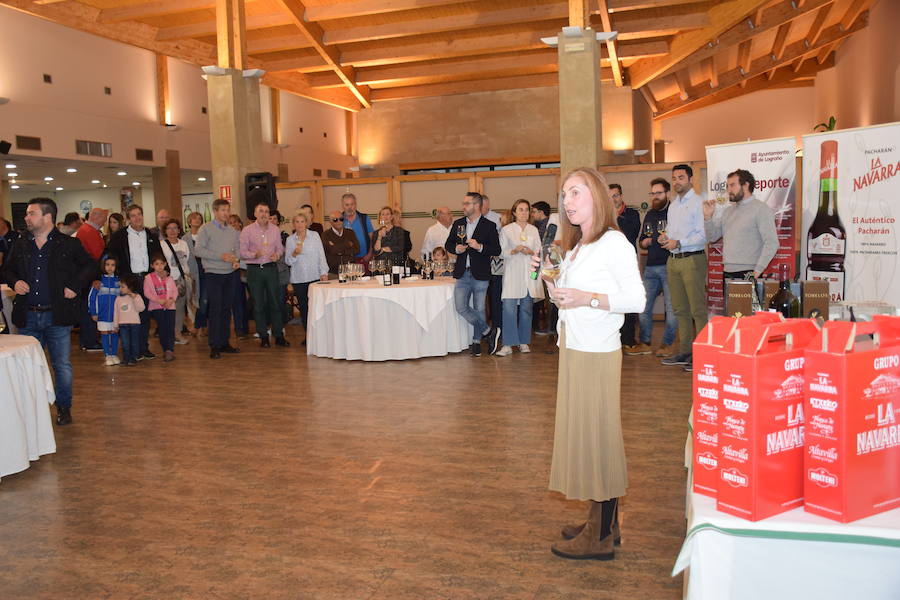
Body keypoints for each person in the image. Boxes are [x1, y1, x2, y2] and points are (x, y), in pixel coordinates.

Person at [532, 167, 645, 561]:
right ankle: (603, 524)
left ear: (596, 195)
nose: (567, 201)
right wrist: (547, 272)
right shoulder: (578, 245)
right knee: (589, 435)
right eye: (564, 194)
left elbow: (637, 300)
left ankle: (599, 537)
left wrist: (586, 298)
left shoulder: (615, 243)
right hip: (576, 348)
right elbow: (561, 295)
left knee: (601, 439)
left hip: (597, 352)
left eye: (575, 193)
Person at [1, 197, 95, 425]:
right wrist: (15, 282)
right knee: (28, 366)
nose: (26, 218)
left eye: (31, 213)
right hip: (28, 316)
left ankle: (64, 407)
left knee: (61, 364)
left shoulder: (67, 243)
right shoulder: (22, 243)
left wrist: (75, 286)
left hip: (57, 315)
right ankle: (32, 409)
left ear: (47, 217)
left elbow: (91, 266)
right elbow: (6, 270)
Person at [659, 164, 707, 372]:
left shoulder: (699, 203)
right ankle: (686, 351)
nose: (677, 181)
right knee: (680, 309)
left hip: (692, 259)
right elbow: (672, 230)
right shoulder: (673, 205)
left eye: (681, 177)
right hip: (673, 260)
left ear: (690, 179)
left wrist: (679, 242)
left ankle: (703, 355)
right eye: (674, 178)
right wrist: (666, 236)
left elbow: (704, 235)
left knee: (697, 309)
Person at [445, 192, 502, 357]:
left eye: (467, 203)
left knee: (479, 309)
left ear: (476, 206)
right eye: (463, 203)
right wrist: (456, 249)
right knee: (460, 307)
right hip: (462, 273)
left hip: (481, 273)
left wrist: (480, 247)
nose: (463, 206)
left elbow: (496, 250)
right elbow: (448, 243)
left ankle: (477, 342)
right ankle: (488, 330)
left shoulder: (489, 225)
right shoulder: (458, 224)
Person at [703, 169, 779, 286]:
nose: (728, 190)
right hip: (727, 272)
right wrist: (708, 218)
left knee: (749, 305)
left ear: (746, 185)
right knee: (729, 305)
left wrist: (757, 271)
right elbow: (712, 237)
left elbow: (772, 243)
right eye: (727, 186)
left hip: (749, 273)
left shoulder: (761, 209)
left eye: (732, 185)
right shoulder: (728, 211)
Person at [106, 204, 163, 360]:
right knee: (129, 317)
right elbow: (110, 256)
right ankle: (130, 351)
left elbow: (158, 256)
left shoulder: (151, 235)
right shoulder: (119, 236)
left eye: (139, 214)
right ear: (128, 219)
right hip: (129, 280)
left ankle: (143, 348)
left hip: (147, 279)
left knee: (144, 315)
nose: (137, 218)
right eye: (133, 215)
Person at [193, 198, 242, 359]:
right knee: (215, 310)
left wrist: (236, 260)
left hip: (230, 274)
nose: (226, 213)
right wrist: (220, 256)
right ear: (215, 211)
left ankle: (224, 342)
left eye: (228, 210)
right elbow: (198, 250)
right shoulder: (205, 229)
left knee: (227, 309)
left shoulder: (233, 231)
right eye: (223, 210)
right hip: (213, 274)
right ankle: (214, 345)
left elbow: (238, 251)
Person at [495, 199, 543, 357]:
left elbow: (539, 251)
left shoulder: (533, 230)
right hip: (512, 273)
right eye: (520, 209)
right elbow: (500, 252)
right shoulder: (507, 230)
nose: (524, 213)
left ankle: (523, 342)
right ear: (514, 212)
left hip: (529, 274)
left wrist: (531, 252)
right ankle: (508, 344)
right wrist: (514, 250)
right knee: (508, 309)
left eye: (527, 210)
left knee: (526, 309)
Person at [636, 178, 677, 358]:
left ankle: (667, 344)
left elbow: (680, 237)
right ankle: (644, 343)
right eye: (652, 193)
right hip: (650, 267)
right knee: (643, 307)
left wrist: (665, 240)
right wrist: (646, 242)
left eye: (658, 193)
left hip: (671, 265)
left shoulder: (675, 212)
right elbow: (642, 241)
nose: (655, 196)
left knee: (672, 309)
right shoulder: (650, 214)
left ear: (668, 193)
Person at [240, 202, 289, 348]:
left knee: (275, 303)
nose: (264, 214)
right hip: (254, 270)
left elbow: (281, 248)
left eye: (267, 212)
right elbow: (242, 252)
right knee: (259, 305)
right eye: (261, 211)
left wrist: (277, 254)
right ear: (255, 214)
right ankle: (263, 336)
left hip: (271, 269)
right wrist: (254, 254)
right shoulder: (247, 230)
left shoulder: (275, 229)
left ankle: (278, 335)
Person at [284, 213, 328, 340]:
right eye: (296, 222)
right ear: (293, 224)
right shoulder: (290, 240)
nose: (299, 224)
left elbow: (321, 255)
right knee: (304, 308)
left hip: (314, 276)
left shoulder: (314, 236)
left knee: (316, 307)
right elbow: (288, 261)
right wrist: (294, 254)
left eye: (302, 221)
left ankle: (319, 336)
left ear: (306, 223)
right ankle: (308, 336)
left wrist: (324, 272)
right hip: (298, 279)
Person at [610, 184, 642, 355]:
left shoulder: (632, 214)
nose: (613, 199)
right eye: (610, 196)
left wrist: (616, 219)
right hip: (609, 265)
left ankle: (629, 339)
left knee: (628, 301)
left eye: (616, 195)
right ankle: (614, 338)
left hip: (627, 263)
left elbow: (632, 233)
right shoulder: (603, 216)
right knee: (612, 301)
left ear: (621, 196)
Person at [74, 207, 109, 351]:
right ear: (97, 217)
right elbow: (97, 257)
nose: (105, 222)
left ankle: (87, 340)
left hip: (87, 276)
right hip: (90, 277)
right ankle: (90, 341)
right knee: (90, 308)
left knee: (88, 309)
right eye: (104, 219)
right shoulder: (89, 232)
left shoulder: (86, 230)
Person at [160, 218, 192, 345]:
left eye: (175, 228)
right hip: (168, 280)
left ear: (179, 230)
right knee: (168, 307)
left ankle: (177, 333)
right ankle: (169, 333)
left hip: (182, 279)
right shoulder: (162, 244)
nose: (172, 231)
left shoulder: (183, 244)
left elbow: (187, 259)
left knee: (179, 308)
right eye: (169, 228)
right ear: (165, 231)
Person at [143, 254, 178, 361]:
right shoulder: (148, 278)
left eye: (161, 264)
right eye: (156, 264)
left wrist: (171, 300)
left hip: (170, 307)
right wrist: (158, 300)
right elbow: (147, 293)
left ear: (165, 264)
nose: (159, 266)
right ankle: (165, 348)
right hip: (157, 307)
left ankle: (169, 350)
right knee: (163, 329)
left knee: (170, 328)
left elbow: (175, 291)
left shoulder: (169, 278)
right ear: (152, 265)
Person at [88, 256, 121, 366]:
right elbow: (92, 298)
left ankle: (114, 354)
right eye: (107, 265)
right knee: (105, 333)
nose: (110, 267)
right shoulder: (98, 282)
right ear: (103, 266)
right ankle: (107, 355)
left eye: (113, 265)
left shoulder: (119, 282)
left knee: (114, 333)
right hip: (102, 314)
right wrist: (93, 312)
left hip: (115, 315)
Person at [481, 195, 504, 332]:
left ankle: (497, 325)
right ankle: (483, 326)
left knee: (495, 295)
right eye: (483, 206)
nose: (486, 208)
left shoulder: (497, 218)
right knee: (481, 297)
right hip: (480, 261)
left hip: (495, 262)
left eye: (487, 206)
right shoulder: (473, 220)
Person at [114, 276, 145, 367]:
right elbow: (116, 312)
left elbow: (141, 308)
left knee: (134, 342)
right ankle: (126, 358)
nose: (120, 289)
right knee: (125, 343)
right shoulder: (118, 299)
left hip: (134, 324)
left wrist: (135, 298)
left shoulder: (137, 296)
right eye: (120, 287)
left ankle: (133, 358)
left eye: (123, 287)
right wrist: (115, 325)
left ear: (130, 287)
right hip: (123, 324)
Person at [183, 211, 205, 335]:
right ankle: (198, 324)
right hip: (192, 271)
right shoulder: (185, 239)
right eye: (194, 218)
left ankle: (199, 325)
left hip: (205, 269)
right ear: (189, 222)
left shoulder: (205, 236)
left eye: (199, 218)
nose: (197, 220)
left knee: (204, 298)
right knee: (193, 299)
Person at [322, 210, 360, 275]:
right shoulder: (325, 234)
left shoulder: (350, 232)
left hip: (350, 271)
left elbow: (357, 249)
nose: (339, 221)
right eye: (335, 220)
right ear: (330, 222)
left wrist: (337, 249)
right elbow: (331, 250)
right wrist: (347, 244)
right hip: (333, 272)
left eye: (341, 219)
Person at [341, 193, 374, 264]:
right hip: (345, 260)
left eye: (352, 204)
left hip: (364, 259)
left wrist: (370, 254)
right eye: (347, 205)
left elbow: (372, 238)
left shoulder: (364, 218)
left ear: (355, 205)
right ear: (343, 206)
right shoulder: (339, 220)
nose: (349, 207)